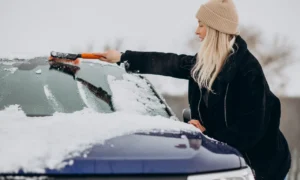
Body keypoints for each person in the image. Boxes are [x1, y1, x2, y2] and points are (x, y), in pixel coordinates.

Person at [95, 0, 291, 179]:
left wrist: (208, 134)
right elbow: (170, 63)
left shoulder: (248, 71)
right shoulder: (206, 63)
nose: (197, 31)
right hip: (225, 157)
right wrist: (122, 57)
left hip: (263, 165)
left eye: (201, 25)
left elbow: (250, 130)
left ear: (216, 29)